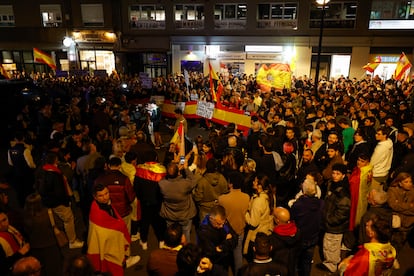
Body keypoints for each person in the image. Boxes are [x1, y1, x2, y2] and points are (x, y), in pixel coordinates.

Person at [87, 183, 140, 275]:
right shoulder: (98, 213)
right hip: (108, 243)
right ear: (95, 197)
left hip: (110, 239)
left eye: (106, 193)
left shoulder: (104, 204)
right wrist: (119, 227)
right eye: (100, 195)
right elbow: (101, 232)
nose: (105, 197)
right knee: (113, 262)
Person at [35, 151, 84, 249]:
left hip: (48, 201)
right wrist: (67, 202)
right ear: (55, 161)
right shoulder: (55, 174)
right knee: (68, 219)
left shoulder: (42, 171)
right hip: (58, 202)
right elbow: (59, 192)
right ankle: (72, 241)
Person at [319, 163, 351, 273]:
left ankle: (331, 265)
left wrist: (329, 220)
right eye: (333, 173)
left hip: (335, 226)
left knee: (331, 245)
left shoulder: (343, 192)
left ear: (343, 175)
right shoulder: (332, 184)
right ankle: (332, 261)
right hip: (330, 223)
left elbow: (342, 212)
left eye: (338, 174)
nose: (334, 175)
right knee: (330, 244)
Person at [159, 162, 199, 244]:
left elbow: (163, 179)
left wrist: (171, 172)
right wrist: (185, 168)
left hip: (169, 214)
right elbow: (194, 180)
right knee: (186, 234)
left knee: (171, 236)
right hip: (185, 214)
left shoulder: (162, 184)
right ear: (178, 172)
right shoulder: (184, 184)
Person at [218, 171, 250, 274]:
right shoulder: (246, 197)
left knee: (224, 256)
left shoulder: (222, 199)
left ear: (231, 184)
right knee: (238, 256)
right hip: (240, 231)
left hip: (226, 232)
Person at [291, 178, 324, 276]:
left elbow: (293, 218)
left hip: (300, 238)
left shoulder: (298, 205)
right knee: (307, 262)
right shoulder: (321, 204)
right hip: (313, 237)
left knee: (294, 261)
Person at [23, 193, 63, 276]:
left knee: (40, 271)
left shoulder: (26, 217)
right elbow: (60, 225)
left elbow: (26, 231)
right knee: (54, 270)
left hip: (35, 248)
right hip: (51, 246)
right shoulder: (48, 213)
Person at [134, 150, 166, 250]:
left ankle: (144, 242)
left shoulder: (139, 170)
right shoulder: (162, 170)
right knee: (159, 222)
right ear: (156, 158)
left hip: (144, 201)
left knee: (145, 222)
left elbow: (136, 188)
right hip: (158, 201)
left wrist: (140, 197)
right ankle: (161, 240)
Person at [197, 205, 237, 271]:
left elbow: (235, 238)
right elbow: (211, 253)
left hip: (225, 261)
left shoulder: (222, 221)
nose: (221, 226)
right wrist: (226, 242)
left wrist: (220, 247)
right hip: (213, 265)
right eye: (218, 224)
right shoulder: (204, 231)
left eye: (223, 223)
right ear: (211, 219)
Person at [243, 174, 274, 261]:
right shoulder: (270, 196)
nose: (253, 182)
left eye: (255, 181)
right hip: (266, 232)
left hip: (256, 236)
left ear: (260, 186)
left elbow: (253, 222)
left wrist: (246, 214)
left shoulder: (258, 201)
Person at [270, 207, 302, 276]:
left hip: (278, 270)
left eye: (274, 216)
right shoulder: (297, 232)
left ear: (277, 220)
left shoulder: (274, 238)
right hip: (292, 267)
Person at [387, 172, 414, 252]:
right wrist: (409, 206)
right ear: (400, 183)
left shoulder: (413, 191)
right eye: (406, 182)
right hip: (395, 224)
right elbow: (393, 205)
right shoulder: (392, 190)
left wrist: (399, 205)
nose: (409, 184)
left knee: (397, 247)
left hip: (407, 225)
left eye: (410, 181)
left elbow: (397, 206)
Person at [0, 209, 30, 275]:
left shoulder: (10, 228)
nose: (3, 224)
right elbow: (2, 266)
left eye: (4, 220)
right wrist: (20, 253)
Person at [348, 154, 373, 232]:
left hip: (359, 197)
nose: (359, 162)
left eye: (362, 161)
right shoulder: (358, 169)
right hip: (353, 195)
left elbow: (365, 187)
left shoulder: (366, 173)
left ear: (367, 162)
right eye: (358, 160)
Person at [370, 126, 393, 191]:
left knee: (373, 195)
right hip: (385, 172)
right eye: (376, 133)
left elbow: (373, 162)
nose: (376, 135)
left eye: (379, 134)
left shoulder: (380, 148)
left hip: (377, 173)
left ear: (385, 135)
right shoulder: (389, 142)